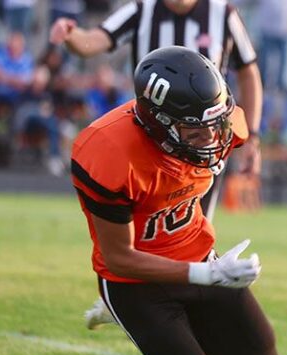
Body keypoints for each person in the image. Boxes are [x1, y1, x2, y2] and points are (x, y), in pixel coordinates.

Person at [71, 46, 284, 355]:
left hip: (198, 257)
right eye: (195, 128)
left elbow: (235, 127)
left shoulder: (220, 124)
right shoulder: (106, 153)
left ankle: (163, 334)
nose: (212, 136)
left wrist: (208, 268)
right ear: (157, 124)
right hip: (134, 283)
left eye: (216, 122)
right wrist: (207, 274)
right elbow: (119, 256)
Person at [49, 0, 263, 328]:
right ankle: (131, 298)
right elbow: (96, 41)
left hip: (203, 140)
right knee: (137, 231)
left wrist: (255, 135)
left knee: (190, 230)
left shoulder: (223, 13)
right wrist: (72, 36)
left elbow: (249, 70)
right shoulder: (142, 9)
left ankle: (174, 308)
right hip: (153, 141)